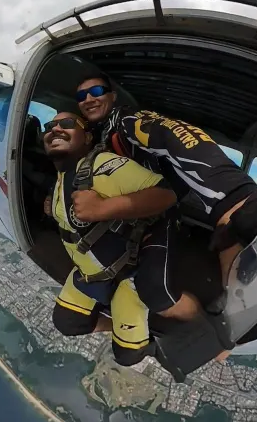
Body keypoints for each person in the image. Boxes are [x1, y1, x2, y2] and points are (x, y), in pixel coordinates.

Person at [74, 74, 257, 300]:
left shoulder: (127, 120)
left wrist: (235, 198)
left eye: (97, 92)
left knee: (153, 291)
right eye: (81, 96)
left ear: (113, 96)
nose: (89, 99)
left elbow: (170, 133)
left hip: (158, 214)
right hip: (123, 223)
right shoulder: (94, 136)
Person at [43, 110, 204, 366]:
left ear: (86, 137)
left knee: (128, 355)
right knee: (67, 322)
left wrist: (104, 209)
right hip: (90, 272)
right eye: (49, 125)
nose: (55, 129)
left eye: (66, 123)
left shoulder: (102, 166)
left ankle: (202, 330)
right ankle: (122, 325)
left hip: (126, 272)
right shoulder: (62, 178)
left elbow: (167, 193)